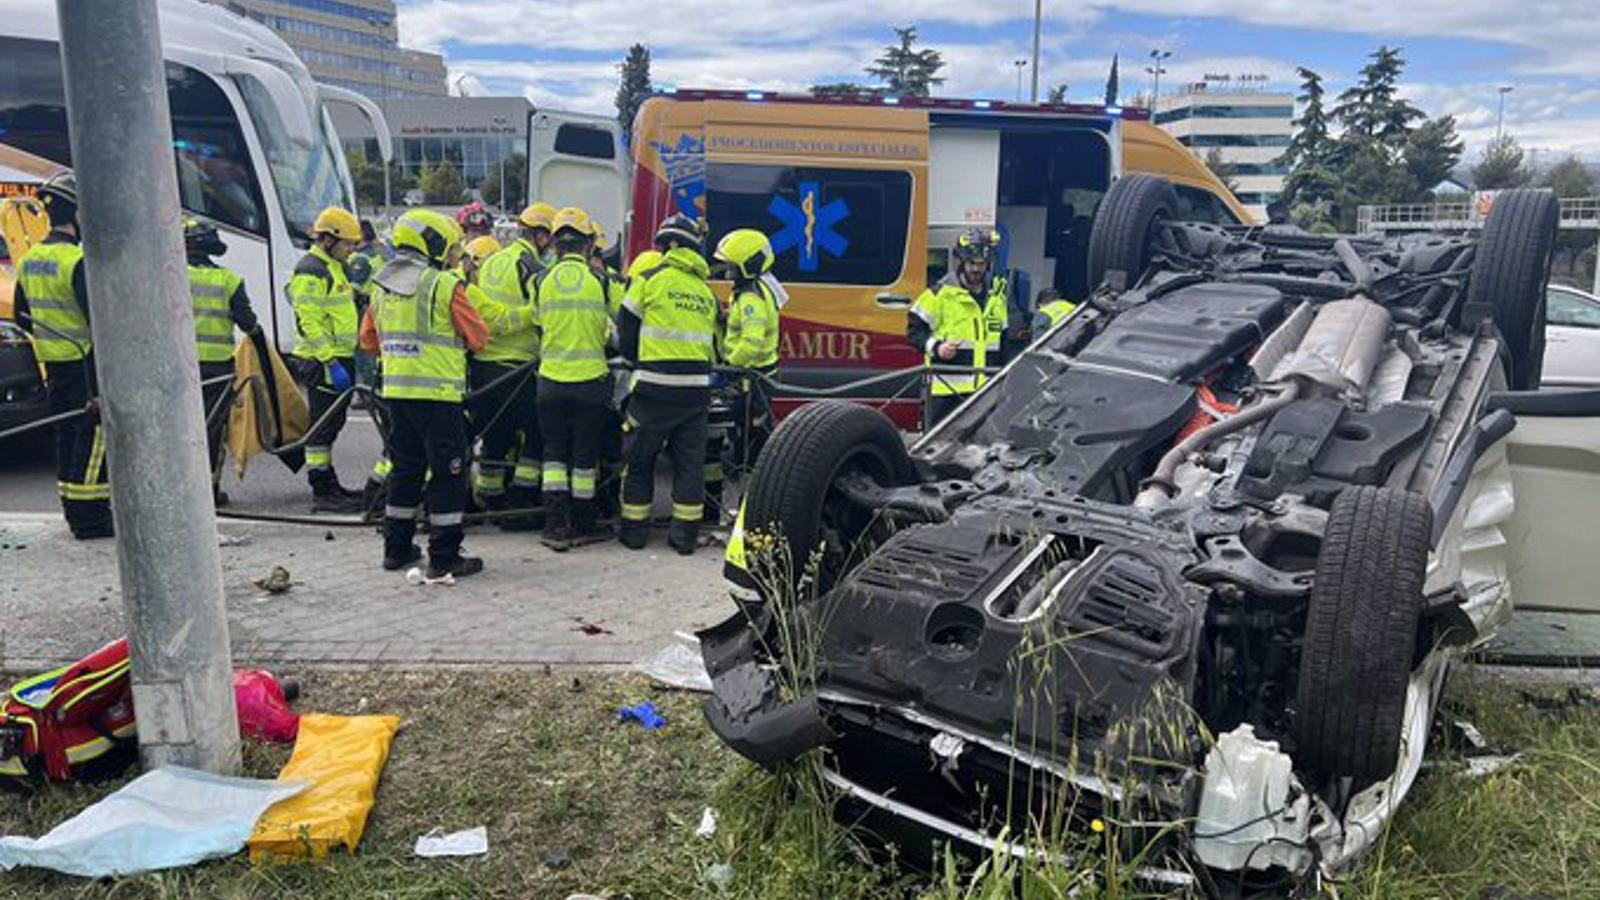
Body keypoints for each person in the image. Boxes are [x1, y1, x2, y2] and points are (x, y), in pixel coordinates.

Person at [358, 208, 490, 578]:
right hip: (439, 397)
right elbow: (479, 337)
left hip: (396, 394)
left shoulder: (380, 286)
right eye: (450, 248)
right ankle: (445, 557)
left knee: (405, 469)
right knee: (449, 472)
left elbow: (368, 341)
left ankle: (396, 549)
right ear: (432, 244)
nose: (453, 255)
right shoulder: (443, 285)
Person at [12, 172, 112, 539]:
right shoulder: (76, 261)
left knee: (66, 434)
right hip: (85, 362)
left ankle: (74, 510)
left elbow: (21, 314)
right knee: (94, 436)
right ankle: (91, 519)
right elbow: (98, 321)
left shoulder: (30, 260)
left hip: (53, 363)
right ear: (77, 215)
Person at [617, 214, 718, 555]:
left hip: (653, 389)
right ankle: (684, 537)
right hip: (695, 393)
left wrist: (632, 361)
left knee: (640, 460)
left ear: (669, 246)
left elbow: (626, 326)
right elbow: (714, 345)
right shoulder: (704, 290)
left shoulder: (648, 279)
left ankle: (634, 533)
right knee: (690, 466)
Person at [533, 207, 621, 550]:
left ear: (555, 244)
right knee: (585, 457)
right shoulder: (600, 280)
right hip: (590, 383)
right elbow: (621, 319)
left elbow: (538, 324)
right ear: (587, 245)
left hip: (550, 381)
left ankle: (555, 527)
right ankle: (583, 525)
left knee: (554, 454)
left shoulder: (541, 280)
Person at [471, 202, 551, 519]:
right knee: (537, 433)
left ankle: (491, 496)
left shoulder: (492, 261)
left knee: (497, 436)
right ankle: (521, 498)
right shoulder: (530, 267)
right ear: (542, 237)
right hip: (517, 366)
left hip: (484, 364)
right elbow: (543, 313)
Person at [288, 205, 365, 512]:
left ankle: (330, 485)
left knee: (333, 422)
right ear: (327, 240)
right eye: (346, 244)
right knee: (323, 425)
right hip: (322, 361)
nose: (350, 250)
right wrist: (329, 360)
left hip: (338, 357)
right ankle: (322, 489)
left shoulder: (332, 266)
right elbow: (307, 319)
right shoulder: (311, 270)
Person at [184, 217, 261, 506]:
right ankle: (209, 492)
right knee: (213, 431)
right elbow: (247, 322)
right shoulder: (228, 280)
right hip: (216, 369)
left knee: (181, 429)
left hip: (179, 368)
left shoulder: (171, 274)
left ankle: (184, 489)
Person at [709, 228, 782, 521]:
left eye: (731, 265)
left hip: (752, 380)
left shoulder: (751, 296)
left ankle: (750, 509)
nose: (728, 271)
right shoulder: (750, 291)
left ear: (748, 264)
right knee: (747, 443)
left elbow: (751, 343)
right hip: (755, 378)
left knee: (751, 449)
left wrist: (727, 370)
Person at [908, 228, 999, 428]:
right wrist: (937, 347)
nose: (976, 269)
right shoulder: (939, 294)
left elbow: (1003, 344)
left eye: (981, 264)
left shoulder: (996, 298)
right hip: (945, 393)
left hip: (985, 392)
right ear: (961, 262)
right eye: (971, 263)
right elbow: (914, 332)